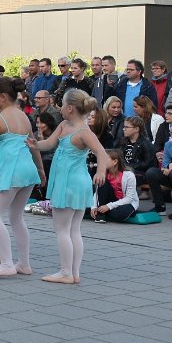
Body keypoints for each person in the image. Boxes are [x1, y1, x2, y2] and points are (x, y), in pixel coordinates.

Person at [28, 88, 108, 284]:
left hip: (71, 182)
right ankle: (73, 273)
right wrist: (35, 144)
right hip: (72, 181)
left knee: (63, 229)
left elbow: (102, 153)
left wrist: (100, 171)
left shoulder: (83, 132)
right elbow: (48, 144)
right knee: (72, 229)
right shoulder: (64, 125)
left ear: (70, 108)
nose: (60, 108)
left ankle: (66, 272)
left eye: (62, 104)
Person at [0, 77, 44, 278]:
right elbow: (33, 145)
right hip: (27, 169)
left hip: (11, 170)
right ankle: (24, 263)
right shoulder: (24, 117)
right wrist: (41, 170)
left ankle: (7, 263)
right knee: (16, 217)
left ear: (2, 96)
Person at [90, 149, 138, 224]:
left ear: (115, 161)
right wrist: (94, 207)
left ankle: (102, 210)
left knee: (119, 214)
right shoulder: (102, 173)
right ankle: (100, 213)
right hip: (107, 201)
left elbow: (129, 199)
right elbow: (97, 194)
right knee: (84, 208)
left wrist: (109, 206)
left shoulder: (129, 175)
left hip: (124, 203)